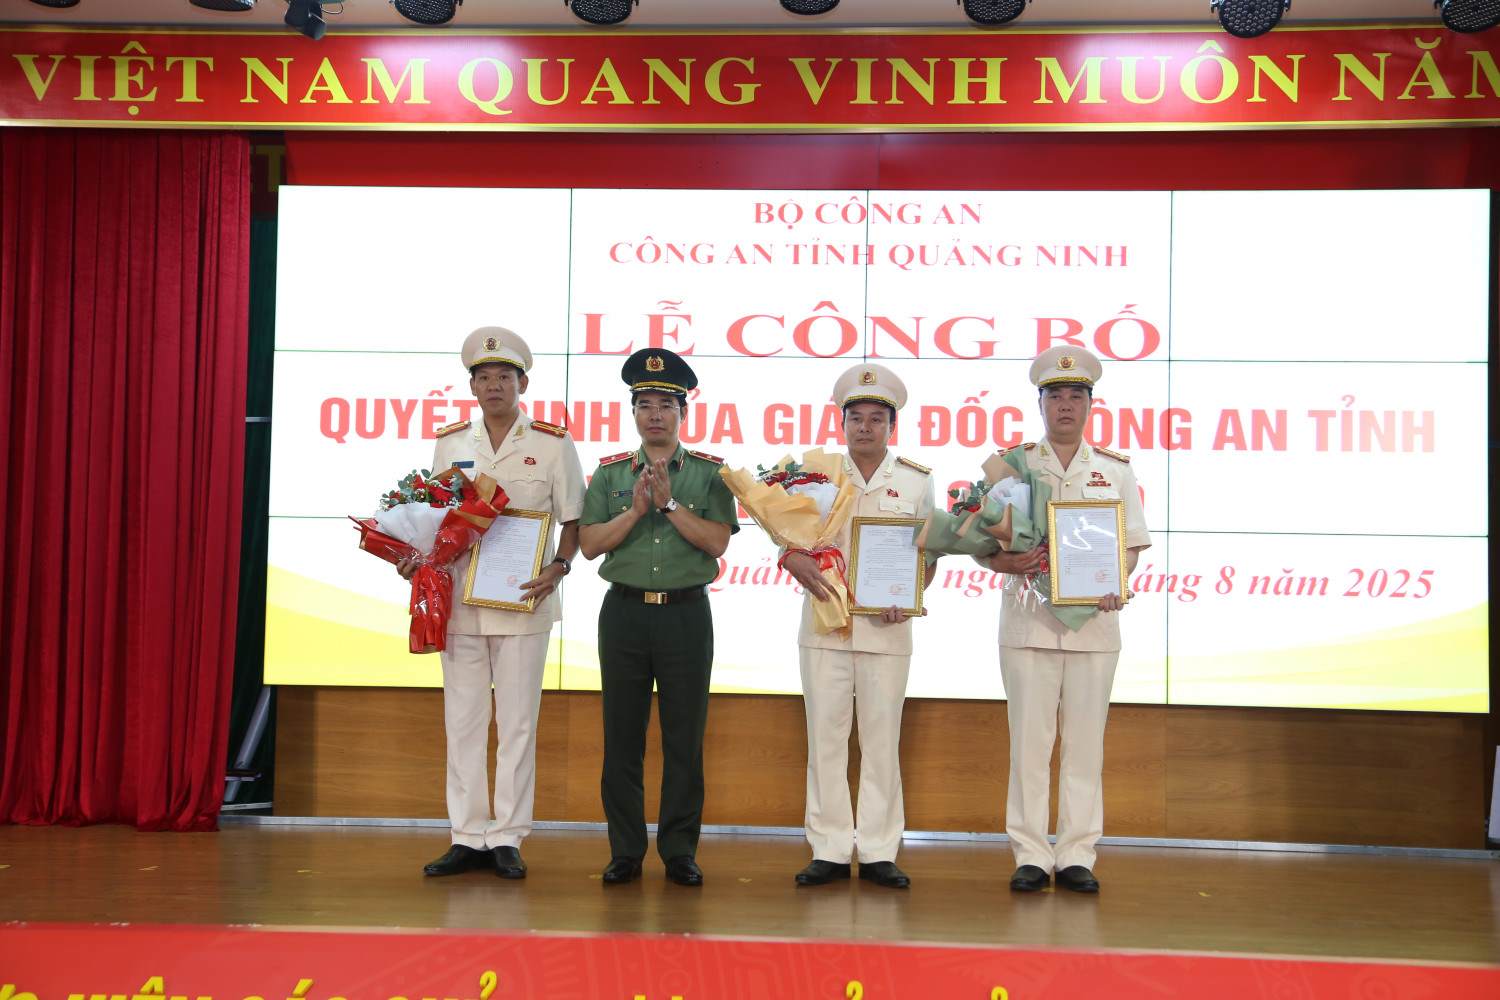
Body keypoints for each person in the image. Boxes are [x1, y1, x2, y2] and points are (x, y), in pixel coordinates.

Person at [405, 326, 584, 880]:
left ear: (521, 382)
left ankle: (506, 835)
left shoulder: (552, 443)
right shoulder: (452, 442)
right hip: (460, 601)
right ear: (473, 386)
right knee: (462, 722)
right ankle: (466, 835)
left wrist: (559, 566)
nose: (493, 386)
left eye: (504, 377)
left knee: (517, 724)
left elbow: (573, 520)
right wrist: (415, 558)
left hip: (524, 603)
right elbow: (436, 518)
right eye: (483, 378)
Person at [986, 345, 1151, 894]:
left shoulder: (1114, 470)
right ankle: (1031, 853)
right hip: (1028, 626)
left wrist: (1113, 583)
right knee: (1029, 745)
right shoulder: (1012, 466)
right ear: (1039, 404)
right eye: (1054, 395)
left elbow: (1129, 547)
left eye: (1075, 395)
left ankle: (1078, 852)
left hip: (1093, 628)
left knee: (1085, 746)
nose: (1065, 405)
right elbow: (981, 543)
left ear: (1089, 404)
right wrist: (1004, 559)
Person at [578, 348, 740, 887]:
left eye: (665, 405)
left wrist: (671, 507)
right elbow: (589, 547)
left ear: (682, 413)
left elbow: (716, 543)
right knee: (621, 737)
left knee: (684, 739)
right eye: (644, 404)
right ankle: (624, 851)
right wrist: (636, 511)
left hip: (685, 618)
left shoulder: (712, 475)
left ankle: (678, 851)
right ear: (633, 413)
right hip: (623, 614)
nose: (655, 415)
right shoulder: (607, 474)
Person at [779, 363, 936, 890]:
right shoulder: (813, 476)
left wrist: (909, 594)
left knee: (881, 740)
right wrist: (788, 555)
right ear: (841, 423)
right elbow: (791, 535)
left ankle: (877, 849)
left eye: (876, 418)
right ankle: (827, 847)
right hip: (825, 625)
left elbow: (927, 555)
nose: (866, 427)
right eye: (856, 418)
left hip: (887, 631)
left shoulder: (915, 480)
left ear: (892, 427)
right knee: (825, 738)